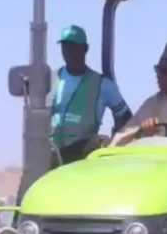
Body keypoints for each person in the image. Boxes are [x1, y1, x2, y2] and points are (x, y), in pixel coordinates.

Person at [51, 25, 132, 164]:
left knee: (99, 142)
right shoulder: (49, 79)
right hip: (49, 154)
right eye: (65, 46)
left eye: (73, 46)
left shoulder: (103, 85)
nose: (68, 51)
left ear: (85, 49)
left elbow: (125, 118)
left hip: (80, 156)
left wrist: (116, 143)